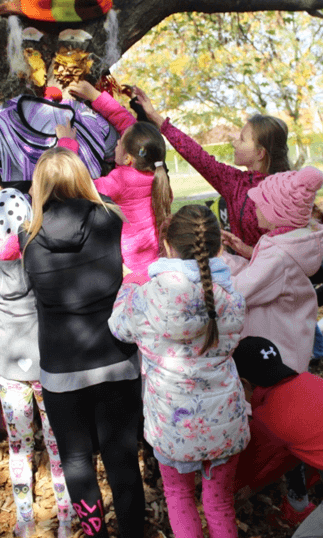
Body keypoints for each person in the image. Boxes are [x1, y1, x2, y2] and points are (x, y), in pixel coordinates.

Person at [19, 148, 144, 538]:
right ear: (81, 178)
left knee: (76, 460)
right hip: (115, 357)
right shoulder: (109, 219)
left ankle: (95, 534)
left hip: (61, 367)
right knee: (121, 457)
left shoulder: (30, 235)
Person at [109, 204, 249, 538]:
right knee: (220, 505)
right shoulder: (230, 296)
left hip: (173, 423)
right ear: (217, 247)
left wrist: (129, 285)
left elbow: (119, 327)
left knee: (179, 495)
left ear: (168, 247)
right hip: (225, 421)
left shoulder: (147, 298)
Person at [0, 188, 73, 538]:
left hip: (8, 364)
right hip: (45, 363)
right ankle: (65, 520)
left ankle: (25, 521)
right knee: (57, 441)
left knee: (19, 447)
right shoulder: (37, 256)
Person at [133, 87, 291, 249]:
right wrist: (154, 116)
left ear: (260, 153)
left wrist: (250, 252)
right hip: (244, 270)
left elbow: (291, 245)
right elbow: (195, 154)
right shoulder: (234, 182)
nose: (234, 142)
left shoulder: (289, 189)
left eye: (242, 140)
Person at [57, 80, 172, 281]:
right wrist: (95, 96)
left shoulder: (122, 180)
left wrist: (68, 144)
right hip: (157, 266)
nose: (116, 142)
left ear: (128, 158)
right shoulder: (156, 173)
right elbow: (128, 124)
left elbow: (78, 186)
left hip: (131, 276)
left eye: (119, 142)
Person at [221, 166, 323, 375]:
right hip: (288, 343)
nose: (254, 208)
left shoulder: (278, 255)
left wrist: (216, 258)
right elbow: (260, 274)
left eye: (259, 204)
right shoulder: (288, 244)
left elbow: (240, 290)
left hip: (281, 356)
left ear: (276, 212)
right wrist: (242, 254)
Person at [232, 337, 323, 517]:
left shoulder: (269, 417)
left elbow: (244, 469)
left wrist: (229, 493)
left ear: (244, 384)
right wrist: (255, 486)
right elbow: (293, 451)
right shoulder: (310, 380)